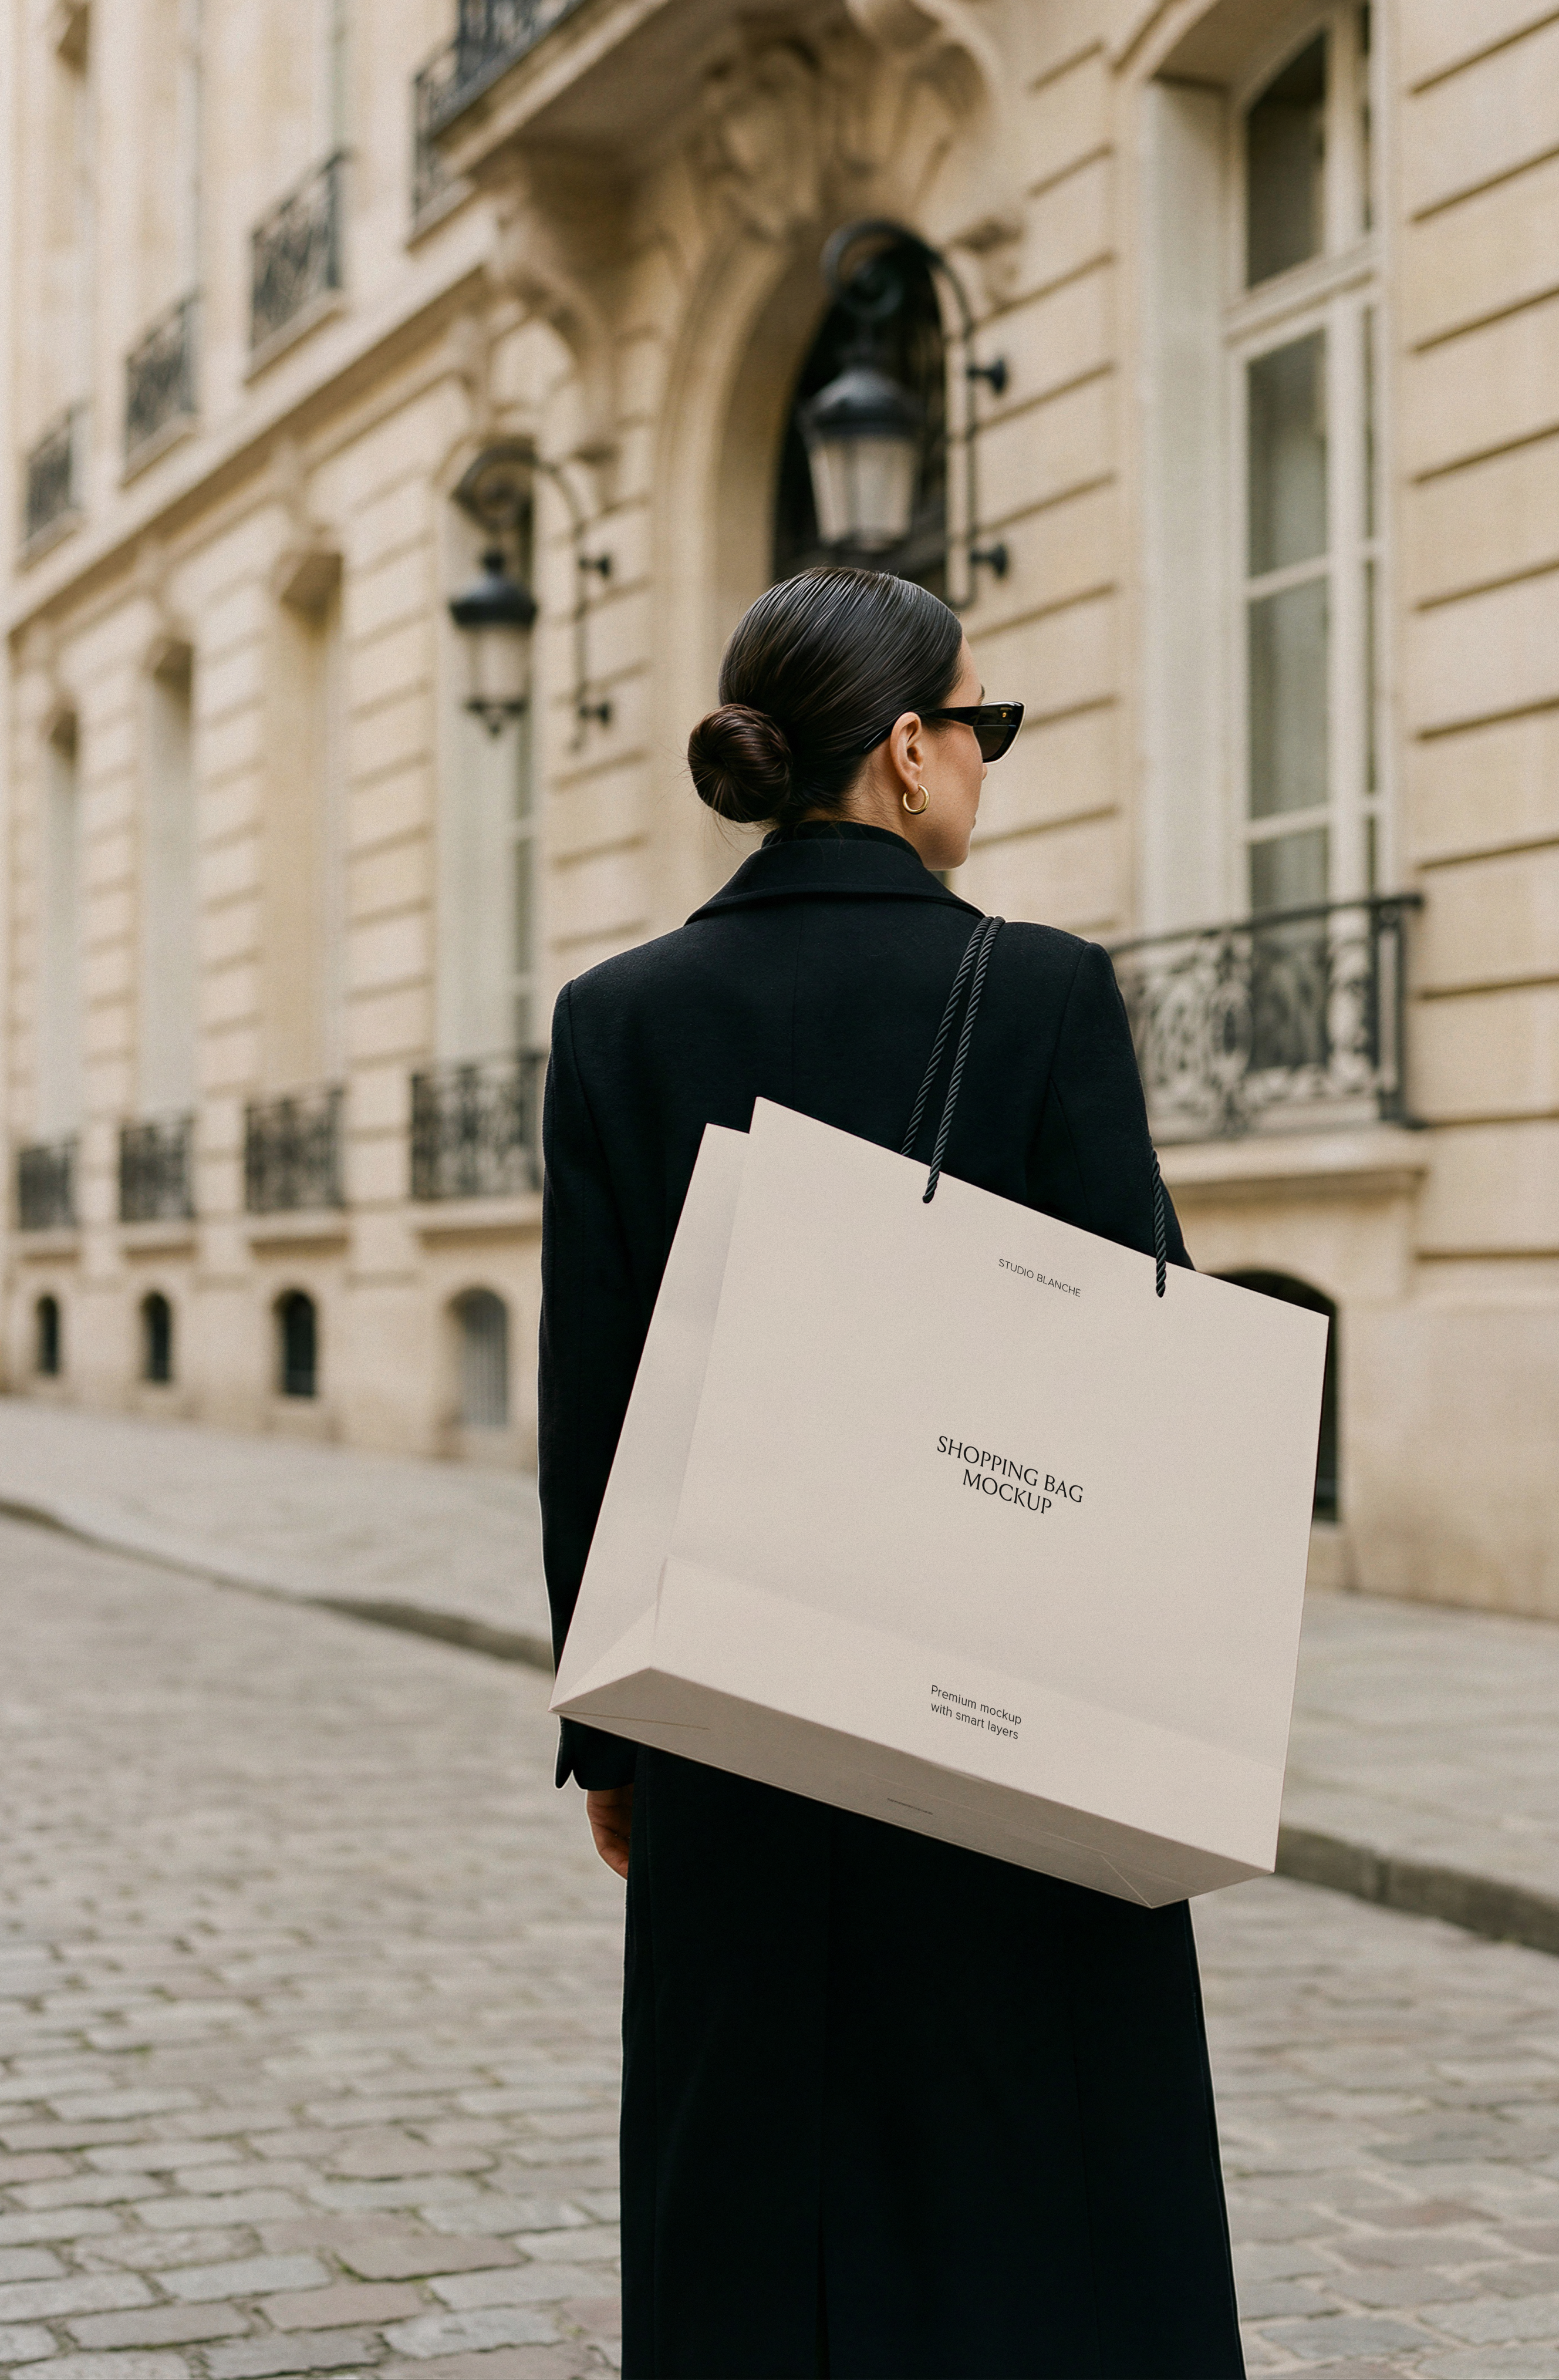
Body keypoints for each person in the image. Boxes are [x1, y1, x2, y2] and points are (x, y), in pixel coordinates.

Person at [538, 565, 1244, 2379]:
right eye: (982, 730)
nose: (986, 769)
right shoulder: (1046, 995)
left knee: (752, 2203)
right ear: (911, 751)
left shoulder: (616, 1017)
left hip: (728, 1706)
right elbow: (1143, 1378)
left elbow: (596, 1403)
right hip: (999, 1711)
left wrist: (612, 1740)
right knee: (1032, 2184)